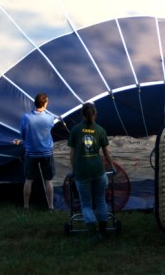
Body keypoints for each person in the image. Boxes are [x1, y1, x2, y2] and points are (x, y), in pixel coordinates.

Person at [68, 102, 115, 242]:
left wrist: (74, 170)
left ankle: (93, 234)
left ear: (82, 114)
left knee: (86, 204)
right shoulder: (100, 130)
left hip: (82, 173)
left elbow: (72, 154)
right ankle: (103, 232)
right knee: (100, 201)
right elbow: (107, 153)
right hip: (98, 170)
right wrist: (112, 166)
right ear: (95, 114)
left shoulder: (75, 130)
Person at [19, 93, 57, 210]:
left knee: (29, 180)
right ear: (45, 103)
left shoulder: (27, 118)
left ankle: (26, 206)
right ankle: (50, 206)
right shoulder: (50, 118)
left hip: (31, 153)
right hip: (46, 152)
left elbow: (23, 133)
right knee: (48, 180)